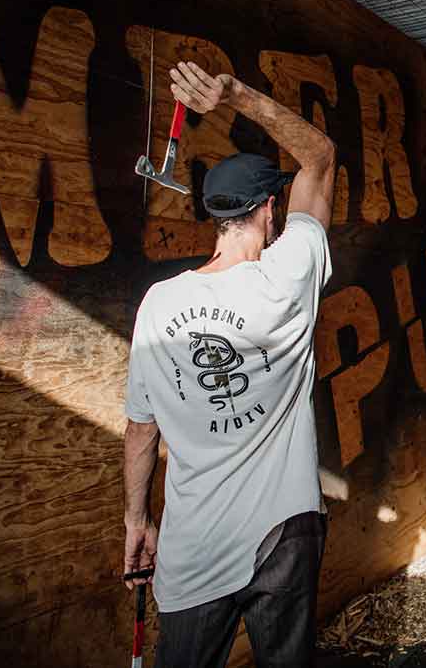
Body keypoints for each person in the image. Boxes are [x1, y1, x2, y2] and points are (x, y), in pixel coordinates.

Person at [121, 60, 337, 667]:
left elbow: (142, 430)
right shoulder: (290, 274)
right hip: (285, 539)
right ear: (271, 210)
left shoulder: (159, 305)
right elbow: (319, 156)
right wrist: (235, 94)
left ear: (216, 217)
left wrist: (137, 522)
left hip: (195, 549)